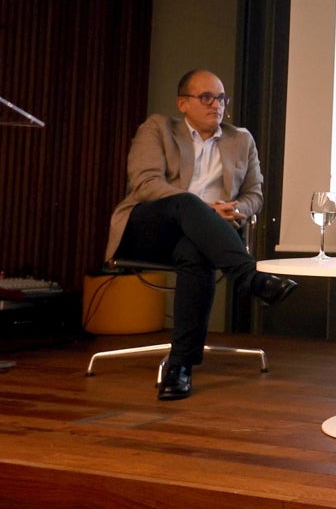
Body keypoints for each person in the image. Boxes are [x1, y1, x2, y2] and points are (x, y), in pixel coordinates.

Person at [106, 69, 299, 401]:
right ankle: (250, 277)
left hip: (205, 238)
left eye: (221, 98)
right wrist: (209, 210)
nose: (217, 105)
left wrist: (237, 209)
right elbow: (147, 184)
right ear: (183, 103)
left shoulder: (241, 140)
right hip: (151, 228)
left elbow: (255, 194)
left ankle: (180, 368)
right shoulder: (159, 129)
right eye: (206, 97)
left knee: (196, 251)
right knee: (185, 204)